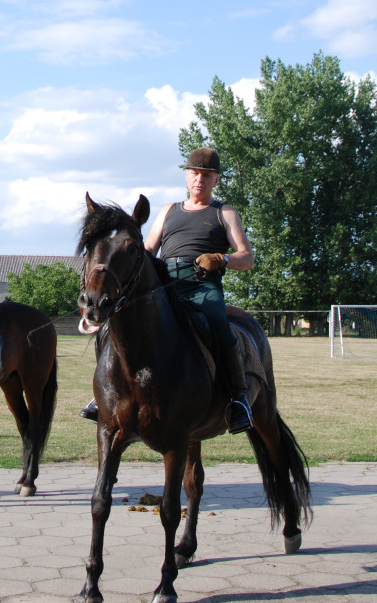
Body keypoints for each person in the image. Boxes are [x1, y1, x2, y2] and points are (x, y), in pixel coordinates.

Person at [80, 147, 254, 434]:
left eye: (207, 175)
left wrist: (221, 259)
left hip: (202, 286)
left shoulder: (224, 212)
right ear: (187, 176)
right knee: (112, 325)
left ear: (216, 180)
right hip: (163, 285)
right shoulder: (168, 211)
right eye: (195, 173)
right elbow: (147, 251)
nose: (200, 179)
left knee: (219, 324)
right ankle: (105, 396)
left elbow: (246, 258)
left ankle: (238, 399)